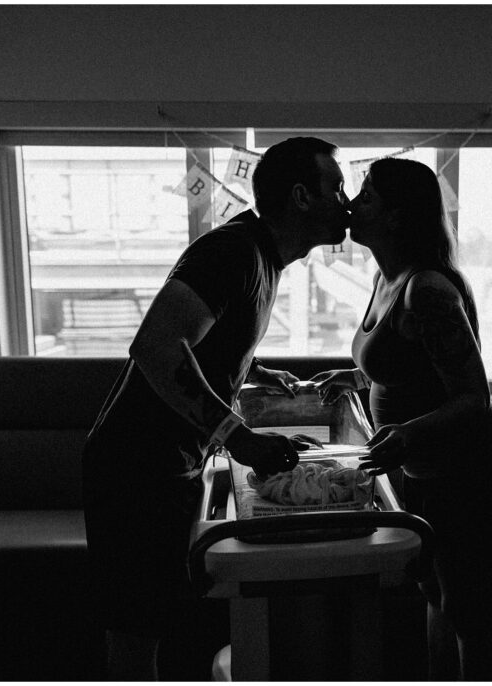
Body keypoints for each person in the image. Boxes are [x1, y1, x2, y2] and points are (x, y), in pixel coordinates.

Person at [82, 137, 350, 680]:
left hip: (165, 463)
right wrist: (240, 437)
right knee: (136, 633)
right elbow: (157, 347)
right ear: (302, 197)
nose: (345, 200)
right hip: (135, 467)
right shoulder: (232, 251)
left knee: (156, 618)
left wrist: (250, 367)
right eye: (337, 187)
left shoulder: (264, 257)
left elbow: (207, 337)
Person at [311, 157, 492, 680]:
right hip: (425, 469)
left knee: (467, 609)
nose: (351, 204)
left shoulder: (427, 288)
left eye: (366, 196)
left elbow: (474, 398)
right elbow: (408, 365)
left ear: (398, 217)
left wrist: (407, 433)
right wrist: (353, 377)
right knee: (433, 591)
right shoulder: (388, 277)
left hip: (474, 470)